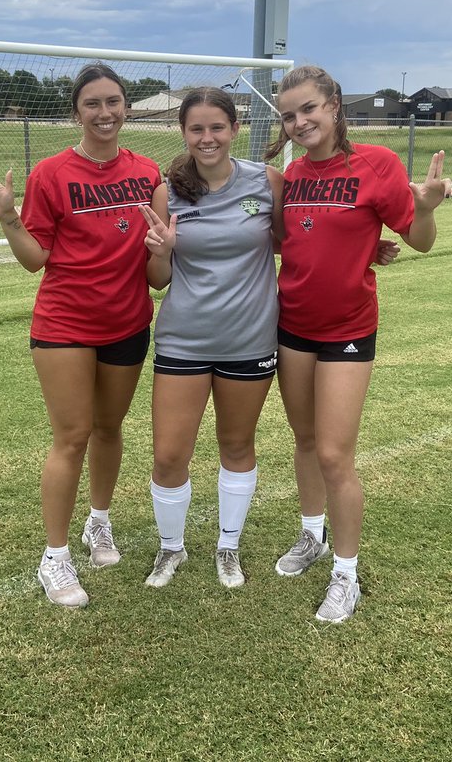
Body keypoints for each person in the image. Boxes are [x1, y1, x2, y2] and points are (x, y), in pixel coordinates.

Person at [0, 63, 160, 609]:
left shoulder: (147, 172)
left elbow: (156, 275)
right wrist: (7, 218)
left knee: (109, 428)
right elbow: (35, 261)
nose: (105, 113)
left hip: (128, 322)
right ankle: (55, 557)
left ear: (126, 107)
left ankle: (99, 523)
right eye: (92, 103)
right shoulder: (52, 174)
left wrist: (164, 250)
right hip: (66, 325)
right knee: (71, 436)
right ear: (77, 112)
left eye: (114, 101)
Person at [264, 64, 452, 623]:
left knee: (334, 453)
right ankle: (312, 535)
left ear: (335, 106)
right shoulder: (292, 175)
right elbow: (288, 242)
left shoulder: (377, 163)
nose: (300, 122)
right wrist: (357, 246)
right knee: (303, 439)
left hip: (348, 329)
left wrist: (424, 208)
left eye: (309, 109)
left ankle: (345, 573)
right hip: (292, 324)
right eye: (289, 115)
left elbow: (417, 242)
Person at [138, 87, 284, 589]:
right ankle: (171, 549)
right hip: (184, 341)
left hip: (250, 339)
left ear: (234, 129)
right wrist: (161, 250)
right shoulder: (168, 191)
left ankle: (228, 546)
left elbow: (297, 243)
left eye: (216, 127)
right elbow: (158, 278)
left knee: (237, 444)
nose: (207, 138)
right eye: (196, 129)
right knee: (168, 453)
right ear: (183, 132)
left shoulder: (266, 181)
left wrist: (365, 243)